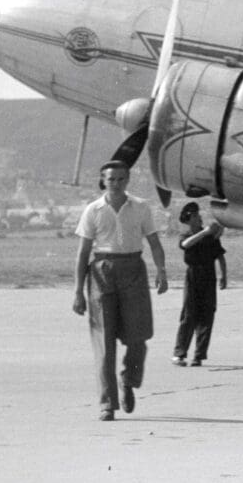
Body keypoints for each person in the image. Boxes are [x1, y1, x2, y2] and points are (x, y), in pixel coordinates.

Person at [72, 161, 168, 420]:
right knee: (104, 342)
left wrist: (161, 270)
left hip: (133, 270)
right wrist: (78, 291)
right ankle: (107, 403)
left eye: (120, 179)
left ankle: (129, 380)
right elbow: (82, 253)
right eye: (110, 179)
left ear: (127, 181)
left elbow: (154, 242)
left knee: (138, 338)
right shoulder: (93, 210)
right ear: (103, 181)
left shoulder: (140, 207)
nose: (115, 183)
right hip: (102, 272)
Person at [173, 201, 228, 367]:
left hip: (208, 276)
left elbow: (220, 256)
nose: (199, 217)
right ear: (189, 219)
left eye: (198, 214)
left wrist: (223, 275)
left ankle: (199, 355)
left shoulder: (211, 237)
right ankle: (179, 354)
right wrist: (205, 232)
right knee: (189, 315)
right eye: (196, 215)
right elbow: (185, 244)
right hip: (193, 275)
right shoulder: (186, 235)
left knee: (207, 315)